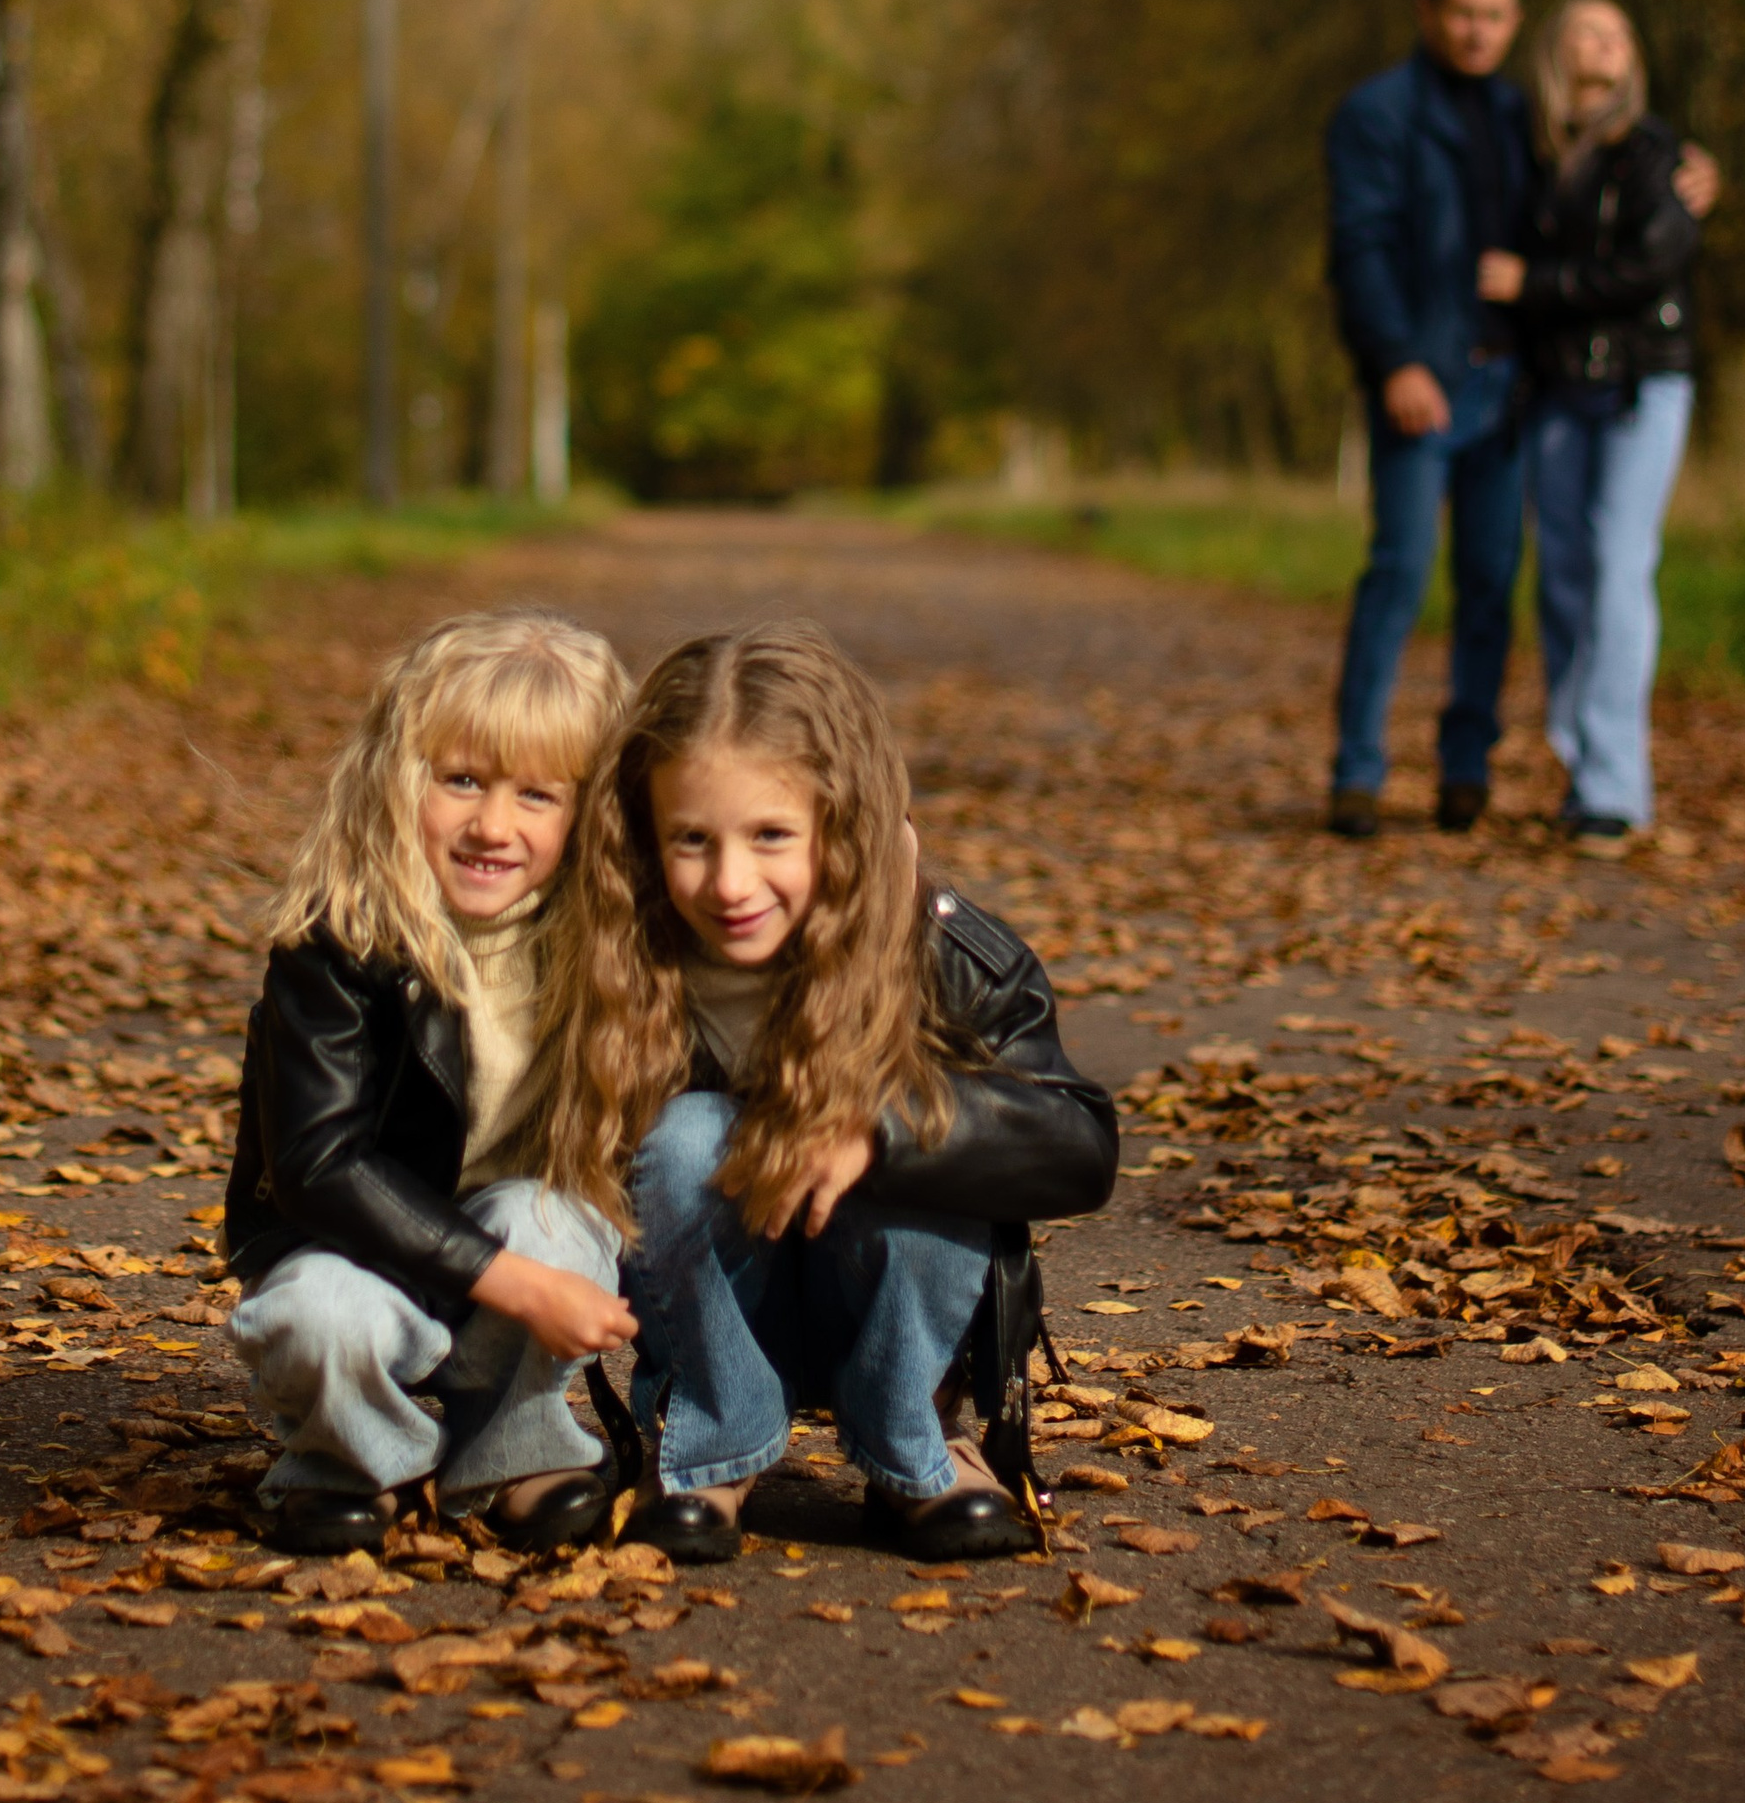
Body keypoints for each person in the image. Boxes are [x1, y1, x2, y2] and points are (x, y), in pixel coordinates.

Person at [536, 617, 1118, 1565]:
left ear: (841, 826)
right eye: (692, 840)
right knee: (682, 1140)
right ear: (644, 835)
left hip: (888, 1299)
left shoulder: (944, 951)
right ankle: (710, 1451)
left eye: (771, 835)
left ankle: (916, 1452)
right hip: (719, 1308)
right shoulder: (628, 954)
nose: (730, 883)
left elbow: (1080, 1144)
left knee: (932, 1136)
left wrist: (882, 1132)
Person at [223, 608, 637, 1556]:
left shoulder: (610, 937)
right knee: (321, 1318)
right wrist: (518, 1284)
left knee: (552, 1222)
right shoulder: (338, 936)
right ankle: (353, 1459)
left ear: (591, 813)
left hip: (516, 1235)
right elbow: (318, 1166)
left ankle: (516, 1450)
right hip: (349, 1247)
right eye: (462, 781)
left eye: (538, 795)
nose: (494, 825)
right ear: (395, 778)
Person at [1474, 0, 1698, 851]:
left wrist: (1532, 286)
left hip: (1644, 382)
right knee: (1563, 578)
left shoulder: (1656, 152)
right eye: (1586, 32)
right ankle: (1580, 764)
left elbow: (1651, 264)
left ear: (1632, 56)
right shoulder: (1536, 159)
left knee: (1618, 566)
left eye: (1616, 33)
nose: (1603, 45)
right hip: (1559, 389)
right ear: (1555, 53)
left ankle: (1613, 786)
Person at [1323, 0, 1537, 839]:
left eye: (1494, 16)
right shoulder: (1377, 113)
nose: (1477, 31)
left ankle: (1465, 769)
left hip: (1510, 385)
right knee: (1401, 569)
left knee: (1490, 581)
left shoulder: (1524, 115)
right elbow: (1359, 249)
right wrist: (1397, 362)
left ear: (1514, 22)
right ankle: (1358, 772)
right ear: (1428, 12)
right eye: (1463, 14)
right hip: (1422, 380)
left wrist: (1692, 173)